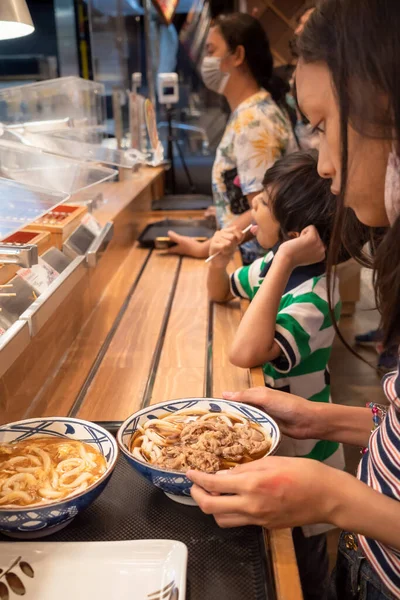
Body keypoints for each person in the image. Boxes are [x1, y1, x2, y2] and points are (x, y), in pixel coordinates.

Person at [186, 2, 400, 599]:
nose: (325, 166)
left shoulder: (311, 292)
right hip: (364, 562)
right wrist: (323, 418)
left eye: (328, 125)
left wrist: (333, 496)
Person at [207, 150, 345, 599]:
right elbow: (222, 292)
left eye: (262, 203)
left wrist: (282, 259)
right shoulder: (273, 267)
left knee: (303, 567)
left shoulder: (316, 296)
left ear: (293, 235)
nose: (251, 209)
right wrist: (218, 258)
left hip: (306, 456)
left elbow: (243, 351)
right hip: (276, 441)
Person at [167, 13, 295, 264]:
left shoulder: (254, 122)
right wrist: (225, 211)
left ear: (237, 55)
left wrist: (205, 249)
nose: (206, 61)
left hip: (257, 268)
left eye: (211, 50)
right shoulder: (248, 112)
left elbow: (262, 211)